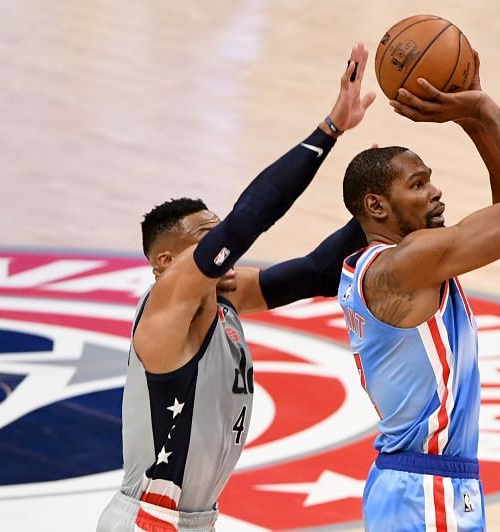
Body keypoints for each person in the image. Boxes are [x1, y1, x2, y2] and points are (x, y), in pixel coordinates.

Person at [97, 43, 375, 532]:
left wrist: (376, 208)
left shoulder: (221, 297)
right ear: (165, 262)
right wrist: (330, 128)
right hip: (149, 519)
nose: (223, 245)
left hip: (195, 519)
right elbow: (249, 221)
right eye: (207, 236)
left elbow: (314, 272)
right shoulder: (167, 306)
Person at [338, 52, 500, 531]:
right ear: (377, 205)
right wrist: (483, 110)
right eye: (418, 184)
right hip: (425, 490)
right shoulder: (407, 264)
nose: (435, 193)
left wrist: (471, 119)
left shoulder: (402, 264)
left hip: (418, 486)